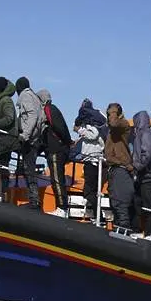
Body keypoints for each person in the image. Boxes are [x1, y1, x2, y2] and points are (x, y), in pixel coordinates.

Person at [130, 111, 151, 241]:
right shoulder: (149, 133)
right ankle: (144, 231)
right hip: (147, 176)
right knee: (141, 204)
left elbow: (147, 152)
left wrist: (137, 165)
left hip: (150, 175)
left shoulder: (145, 134)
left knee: (150, 206)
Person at [38, 89, 72, 217]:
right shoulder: (52, 109)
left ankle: (62, 207)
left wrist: (66, 141)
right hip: (56, 148)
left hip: (56, 149)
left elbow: (57, 127)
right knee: (56, 178)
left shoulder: (48, 109)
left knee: (57, 179)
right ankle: (62, 207)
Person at [15, 77, 45, 210]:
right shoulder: (35, 97)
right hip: (36, 138)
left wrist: (25, 135)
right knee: (28, 168)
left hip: (30, 139)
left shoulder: (26, 96)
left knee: (29, 169)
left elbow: (32, 116)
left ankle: (34, 201)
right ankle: (33, 199)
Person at [104, 103, 134, 230]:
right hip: (113, 168)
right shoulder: (111, 130)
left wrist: (114, 112)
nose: (110, 115)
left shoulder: (123, 124)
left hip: (121, 168)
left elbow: (115, 123)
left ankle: (123, 229)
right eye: (109, 113)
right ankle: (118, 227)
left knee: (120, 201)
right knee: (115, 201)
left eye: (112, 113)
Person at [73, 118, 105, 220]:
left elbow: (93, 135)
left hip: (92, 162)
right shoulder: (97, 127)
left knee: (88, 191)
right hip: (94, 162)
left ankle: (98, 216)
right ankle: (96, 214)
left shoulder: (92, 127)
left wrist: (79, 130)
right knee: (93, 191)